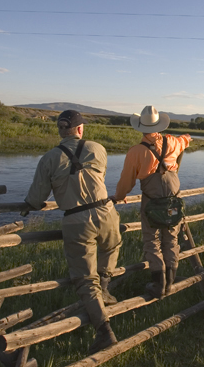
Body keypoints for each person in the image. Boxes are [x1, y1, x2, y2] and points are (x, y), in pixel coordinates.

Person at [24, 110, 122, 354]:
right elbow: (99, 176)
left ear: (60, 130)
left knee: (84, 276)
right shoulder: (98, 148)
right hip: (105, 210)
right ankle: (106, 286)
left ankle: (104, 331)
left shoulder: (49, 158)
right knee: (112, 245)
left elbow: (37, 198)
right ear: (80, 129)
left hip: (76, 219)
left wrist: (28, 206)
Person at [112, 105, 191, 299]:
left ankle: (158, 284)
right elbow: (184, 141)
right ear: (159, 124)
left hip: (152, 202)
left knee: (152, 241)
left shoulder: (136, 151)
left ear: (140, 127)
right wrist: (187, 139)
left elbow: (127, 180)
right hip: (173, 200)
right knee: (171, 239)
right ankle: (170, 282)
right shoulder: (172, 142)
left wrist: (119, 195)